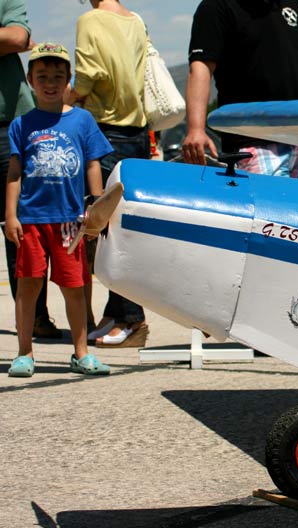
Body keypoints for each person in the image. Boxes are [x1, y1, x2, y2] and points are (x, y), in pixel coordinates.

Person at [5, 42, 113, 377]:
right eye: (42, 76)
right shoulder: (21, 124)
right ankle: (24, 353)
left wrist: (97, 206)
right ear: (30, 80)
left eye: (57, 76)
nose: (50, 83)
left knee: (75, 288)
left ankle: (81, 353)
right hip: (31, 220)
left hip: (70, 221)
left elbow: (93, 164)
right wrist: (11, 215)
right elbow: (14, 173)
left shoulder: (82, 120)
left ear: (69, 80)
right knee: (27, 288)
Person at [65, 0, 150, 347]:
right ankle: (117, 313)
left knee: (104, 228)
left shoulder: (90, 20)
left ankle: (131, 318)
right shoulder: (136, 20)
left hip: (105, 130)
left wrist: (66, 100)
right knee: (124, 225)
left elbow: (88, 76)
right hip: (138, 133)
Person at [182, 0, 298, 177]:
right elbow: (201, 67)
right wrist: (196, 129)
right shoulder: (216, 7)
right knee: (269, 197)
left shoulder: (291, 3)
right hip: (254, 141)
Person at [0, 0, 62, 339]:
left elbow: (18, 37)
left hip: (9, 123)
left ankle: (35, 316)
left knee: (21, 229)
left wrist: (12, 40)